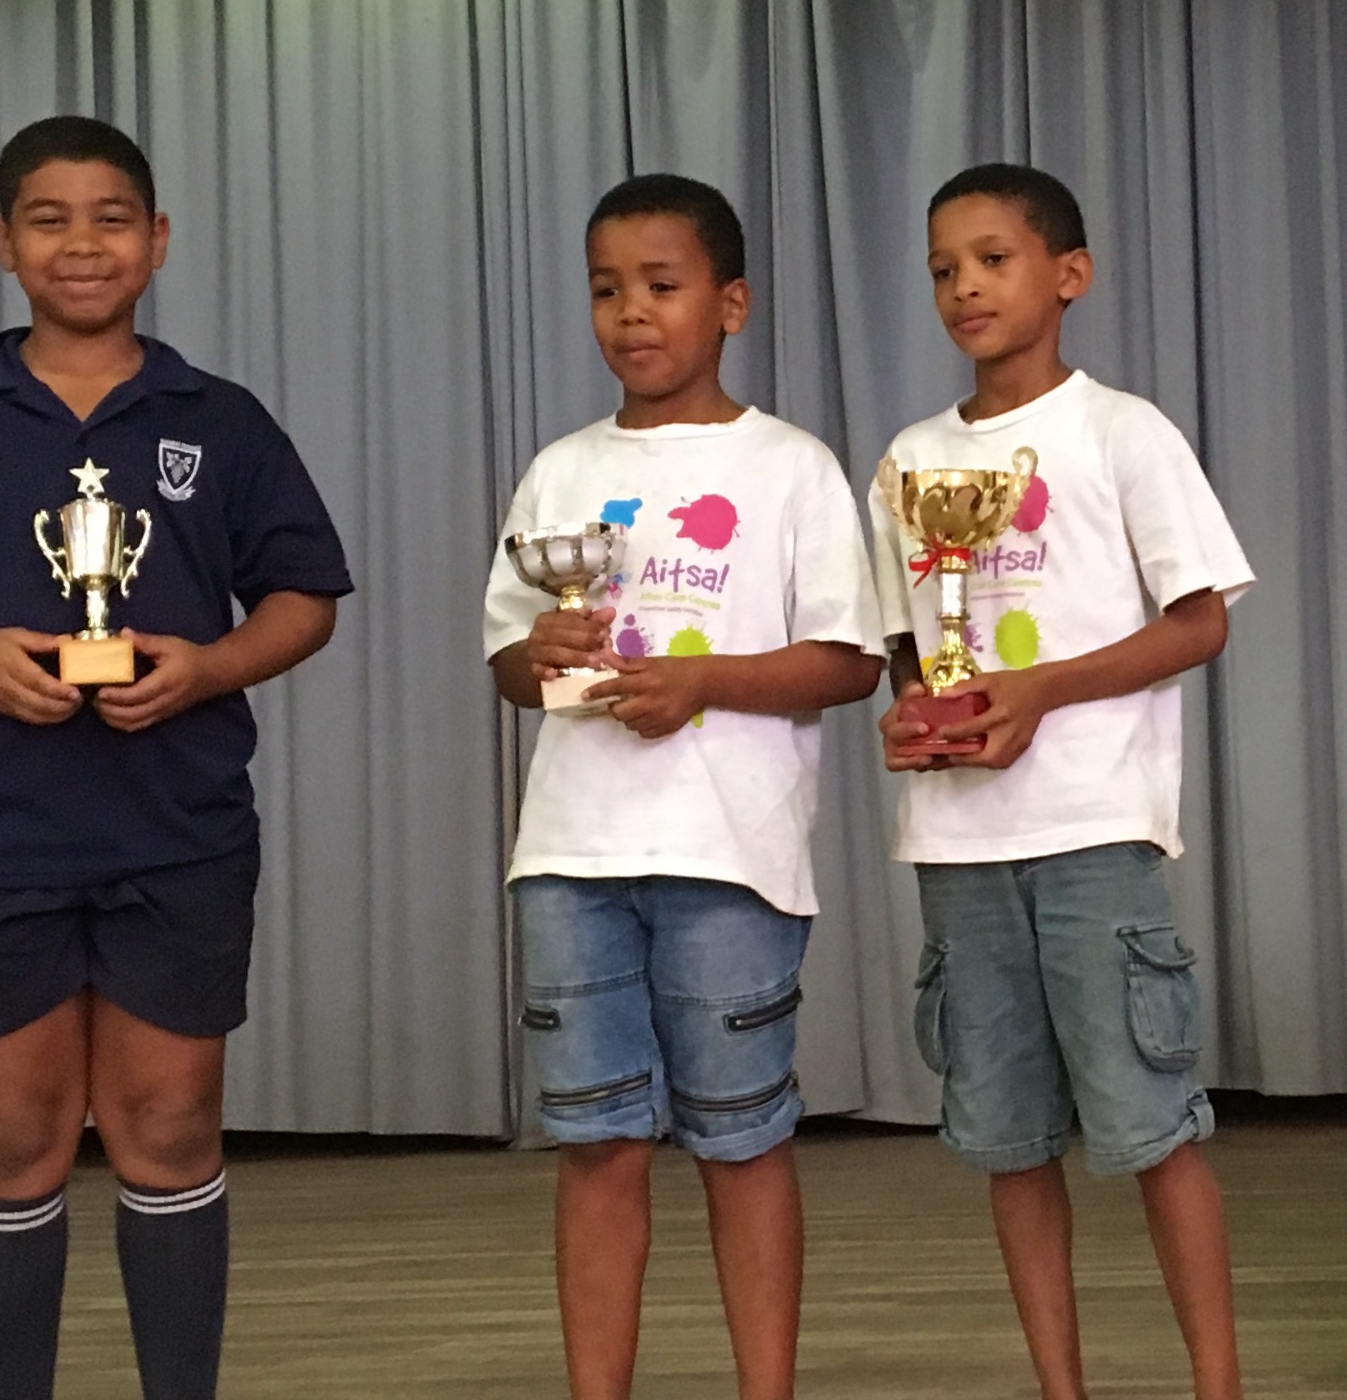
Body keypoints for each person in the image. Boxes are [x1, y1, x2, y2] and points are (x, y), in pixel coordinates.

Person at [0, 115, 352, 1400]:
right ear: (3, 243)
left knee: (169, 1123)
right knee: (10, 1135)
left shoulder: (220, 419)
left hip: (179, 826)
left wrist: (208, 667)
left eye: (111, 217)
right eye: (48, 219)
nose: (83, 244)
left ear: (157, 239)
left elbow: (304, 596)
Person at [481, 172, 883, 1400]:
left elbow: (849, 659)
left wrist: (700, 679)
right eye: (606, 289)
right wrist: (540, 652)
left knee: (743, 1138)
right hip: (571, 855)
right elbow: (509, 661)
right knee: (595, 1142)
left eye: (660, 285)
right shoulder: (560, 468)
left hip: (729, 856)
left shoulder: (791, 466)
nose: (631, 313)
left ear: (731, 303)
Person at [868, 162, 1253, 1400]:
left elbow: (1199, 620)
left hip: (1094, 829)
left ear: (1068, 273)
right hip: (959, 844)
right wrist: (918, 714)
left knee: (1153, 1128)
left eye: (993, 258)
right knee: (1008, 1141)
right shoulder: (910, 458)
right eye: (942, 268)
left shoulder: (1121, 430)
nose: (964, 286)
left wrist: (1039, 690)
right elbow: (907, 644)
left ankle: (1216, 1383)